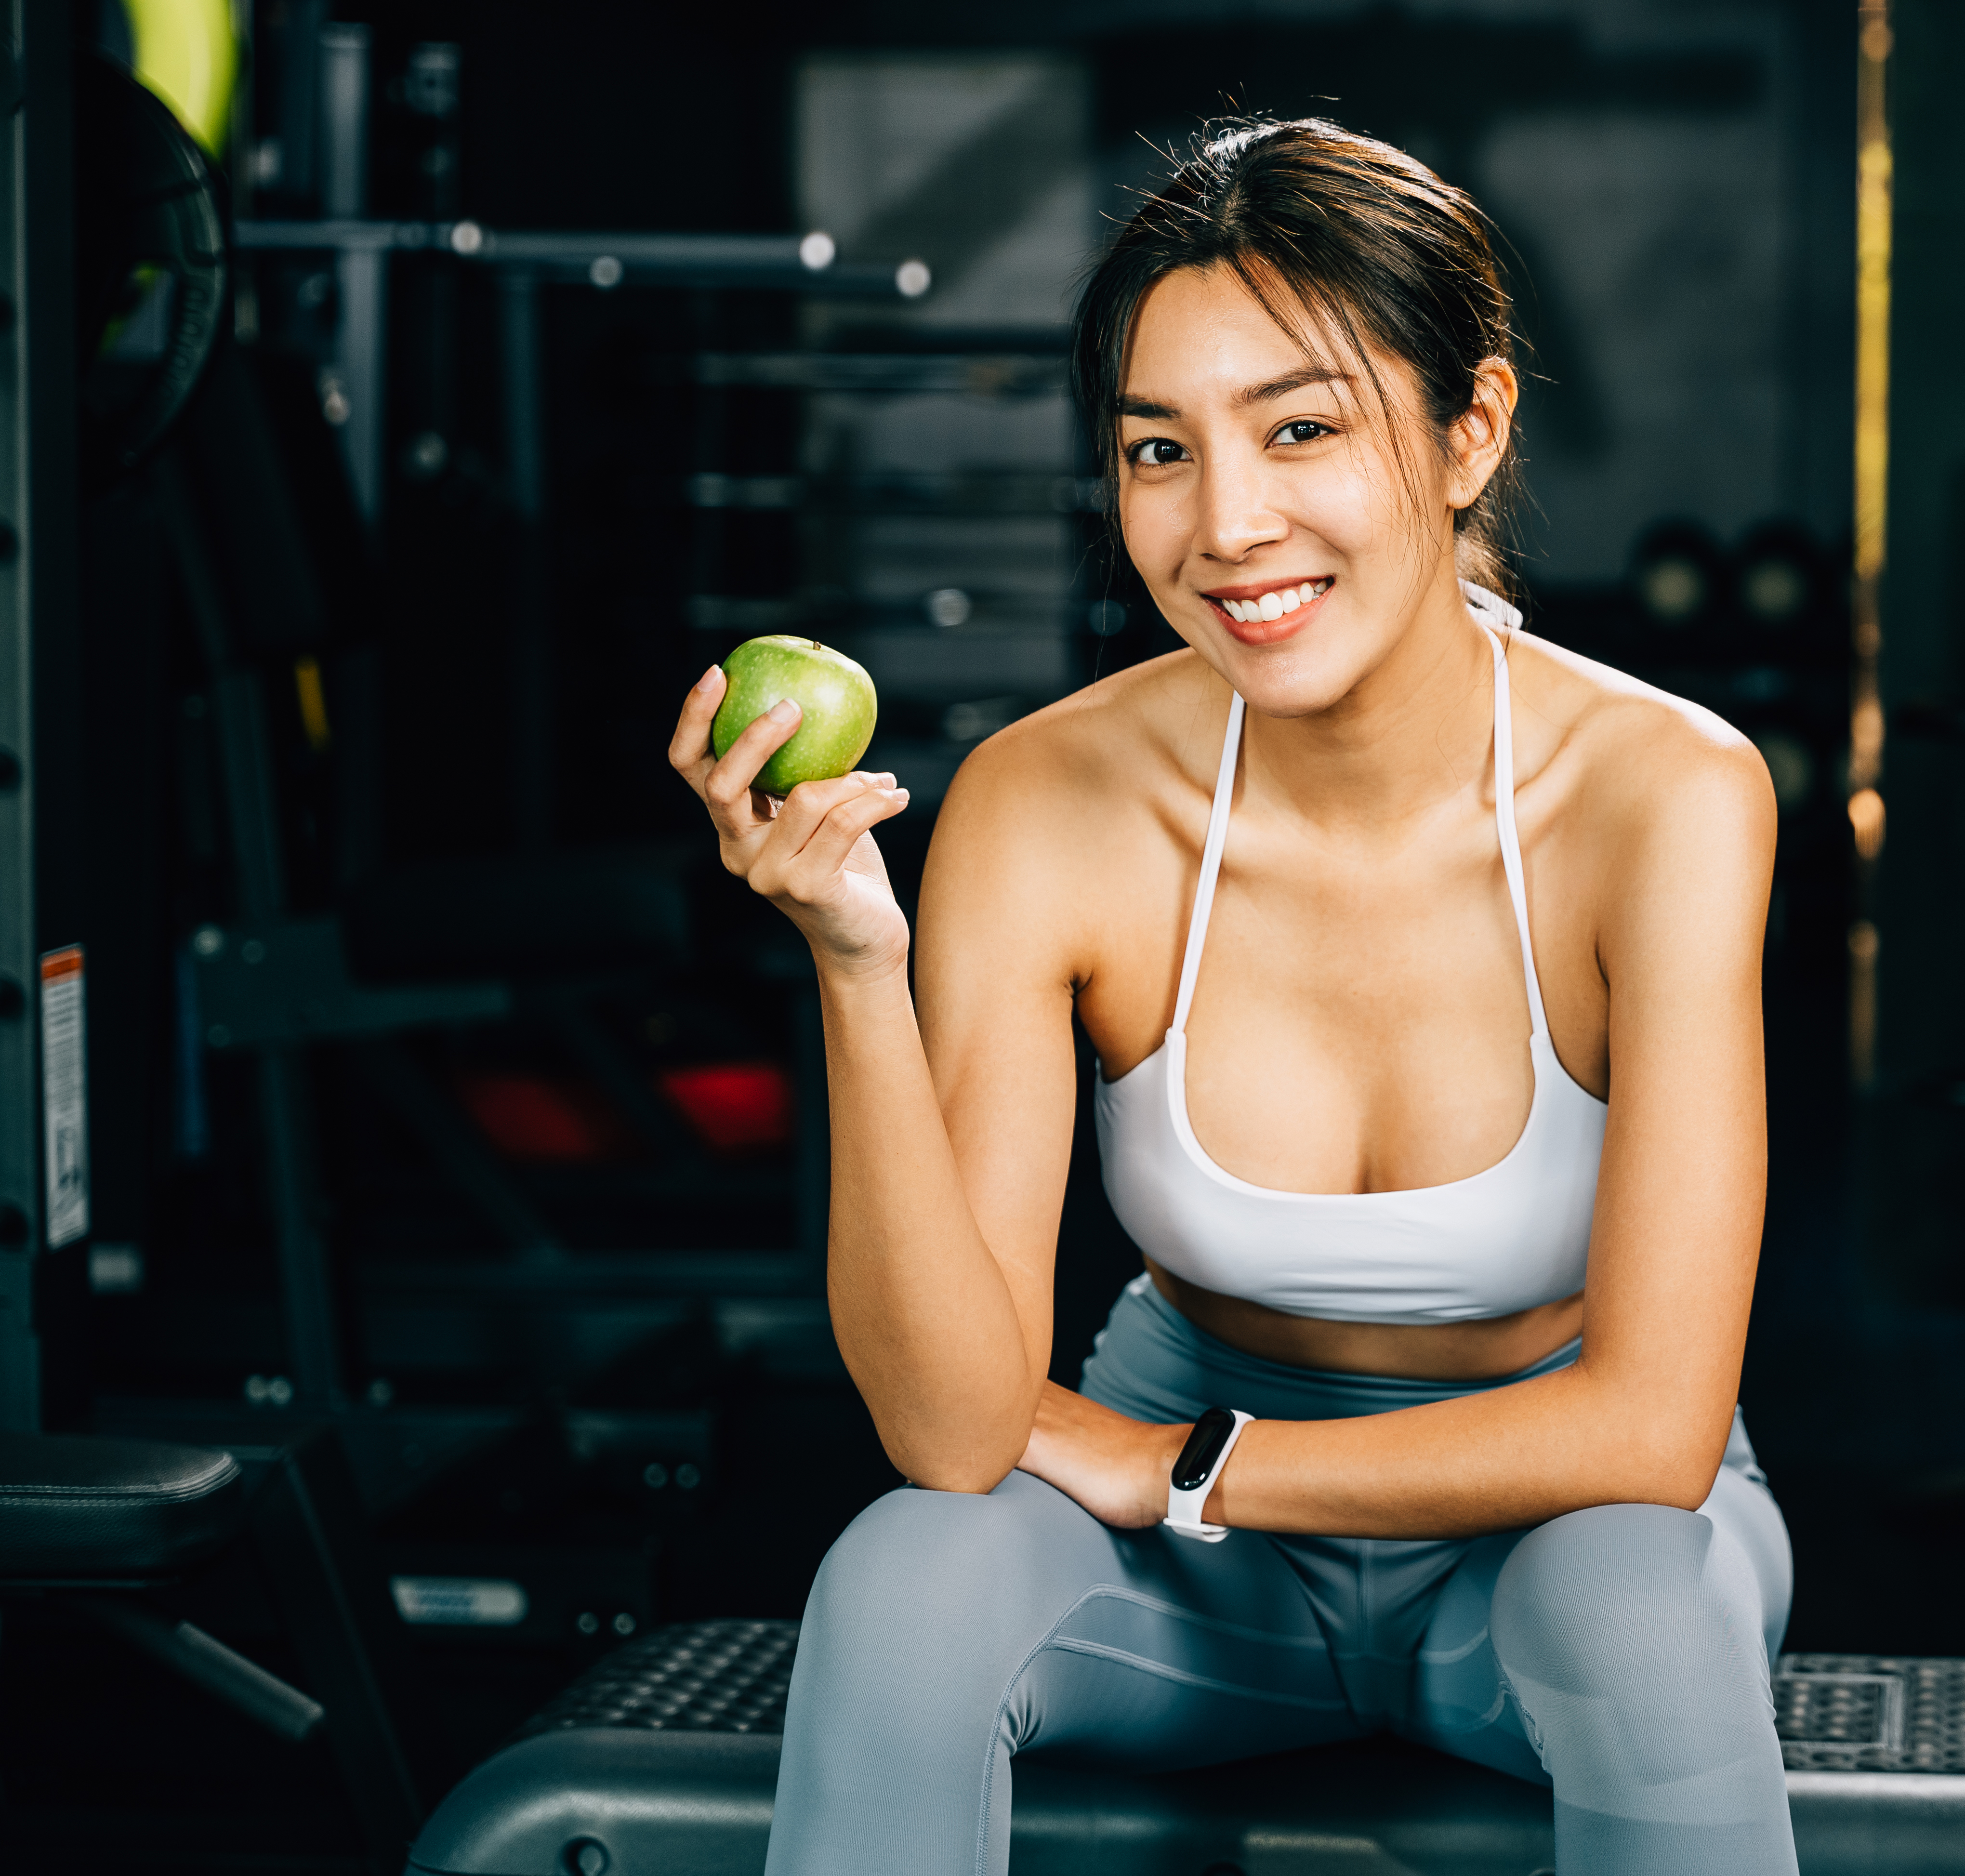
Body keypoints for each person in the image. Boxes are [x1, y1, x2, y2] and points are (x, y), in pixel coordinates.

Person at [668, 117, 1793, 1876]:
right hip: (1191, 1586)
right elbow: (953, 1429)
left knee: (1639, 1618)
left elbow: (1648, 1427)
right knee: (899, 1582)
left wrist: (1183, 1466)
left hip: (1556, 1535)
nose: (1228, 525)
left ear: (1469, 427)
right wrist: (856, 966)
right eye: (1156, 451)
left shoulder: (1666, 794)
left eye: (1301, 429)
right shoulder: (1047, 801)